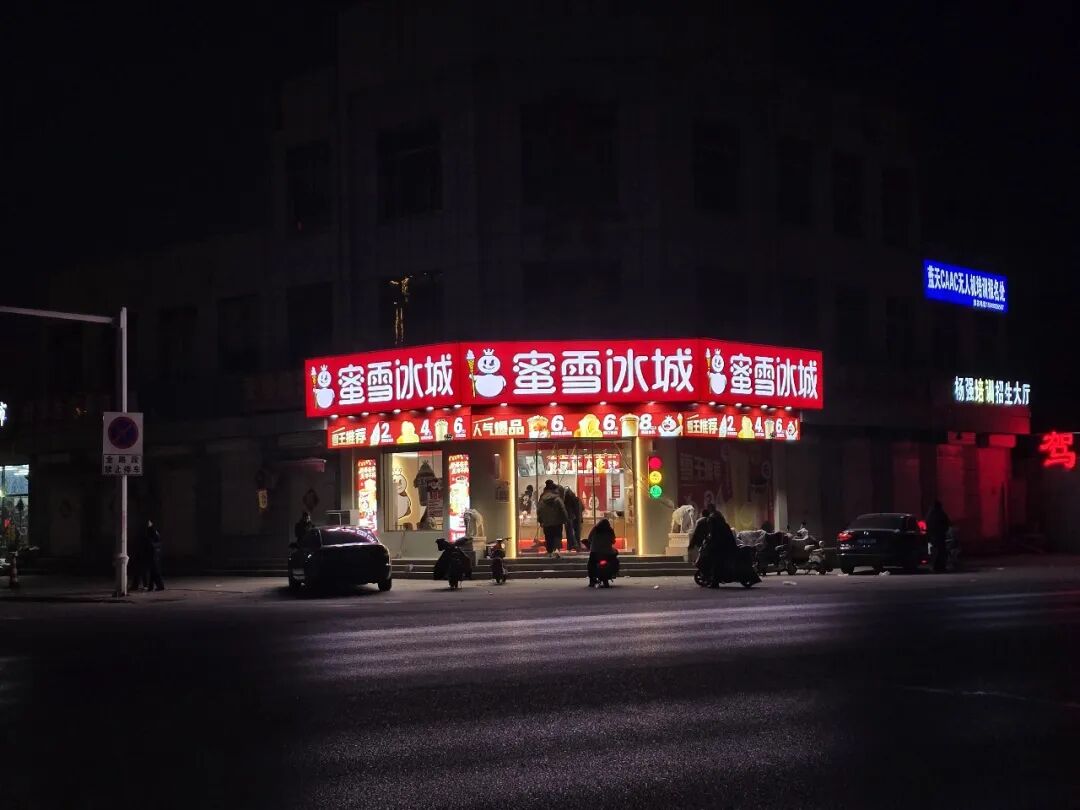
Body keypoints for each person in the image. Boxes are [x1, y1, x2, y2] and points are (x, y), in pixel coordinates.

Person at [536, 481, 569, 557]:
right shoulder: (557, 499)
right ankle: (556, 550)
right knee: (557, 535)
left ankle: (550, 551)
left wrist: (540, 520)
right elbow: (563, 509)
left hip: (546, 522)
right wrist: (565, 519)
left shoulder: (542, 499)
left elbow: (539, 510)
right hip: (557, 521)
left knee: (548, 536)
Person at [705, 509, 737, 587]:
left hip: (719, 548)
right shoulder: (724, 525)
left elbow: (713, 537)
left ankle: (715, 582)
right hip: (726, 547)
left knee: (715, 564)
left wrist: (709, 542)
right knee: (718, 564)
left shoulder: (715, 526)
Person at [585, 518, 617, 587]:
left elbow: (589, 539)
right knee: (614, 560)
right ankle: (613, 572)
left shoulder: (595, 529)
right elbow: (613, 541)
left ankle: (591, 580)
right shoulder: (610, 530)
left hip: (595, 552)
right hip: (607, 552)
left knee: (591, 564)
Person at [926, 500, 951, 573]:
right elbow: (946, 522)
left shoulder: (930, 514)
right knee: (941, 551)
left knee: (936, 551)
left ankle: (935, 566)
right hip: (939, 535)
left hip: (933, 535)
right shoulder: (940, 513)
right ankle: (940, 566)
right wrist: (944, 530)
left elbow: (928, 524)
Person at [143, 520, 165, 592]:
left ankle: (160, 586)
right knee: (153, 571)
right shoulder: (153, 531)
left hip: (153, 554)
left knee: (154, 571)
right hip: (154, 554)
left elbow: (153, 542)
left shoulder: (152, 531)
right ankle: (151, 587)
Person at [562, 486, 583, 552]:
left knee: (569, 532)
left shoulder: (565, 501)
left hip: (569, 518)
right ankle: (577, 546)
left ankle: (570, 546)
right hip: (578, 518)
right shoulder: (577, 499)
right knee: (577, 533)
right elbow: (582, 508)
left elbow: (565, 510)